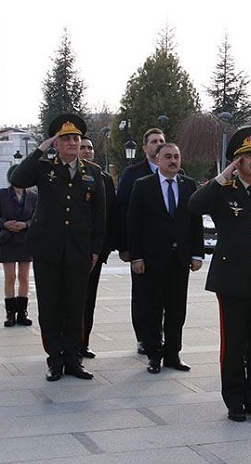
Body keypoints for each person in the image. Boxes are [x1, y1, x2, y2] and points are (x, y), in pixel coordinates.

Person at [188, 126, 251, 422]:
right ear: (238, 162)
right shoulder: (223, 192)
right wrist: (222, 177)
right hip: (232, 281)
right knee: (233, 345)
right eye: (249, 156)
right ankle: (234, 401)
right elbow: (194, 206)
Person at [9, 113, 106, 382]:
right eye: (66, 139)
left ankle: (73, 359)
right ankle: (55, 358)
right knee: (50, 307)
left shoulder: (93, 173)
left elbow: (100, 216)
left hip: (78, 250)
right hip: (47, 249)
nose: (73, 143)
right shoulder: (43, 168)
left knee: (75, 307)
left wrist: (95, 249)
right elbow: (18, 177)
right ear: (56, 143)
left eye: (76, 138)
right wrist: (41, 148)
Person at [128, 143, 204, 374]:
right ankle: (154, 355)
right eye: (168, 156)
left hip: (179, 259)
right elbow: (134, 224)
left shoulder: (188, 184)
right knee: (152, 309)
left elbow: (195, 222)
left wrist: (197, 254)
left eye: (177, 157)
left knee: (176, 308)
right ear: (158, 159)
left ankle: (173, 354)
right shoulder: (143, 186)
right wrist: (136, 257)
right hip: (152, 260)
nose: (173, 160)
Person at [115, 128, 166, 354]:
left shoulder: (174, 171)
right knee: (143, 295)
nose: (157, 144)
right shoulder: (132, 173)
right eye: (154, 141)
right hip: (142, 248)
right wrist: (125, 247)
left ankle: (160, 336)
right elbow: (122, 211)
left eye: (161, 141)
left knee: (166, 295)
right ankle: (144, 337)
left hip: (167, 249)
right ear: (145, 148)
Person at [79, 136, 116, 358]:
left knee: (88, 299)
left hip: (95, 251)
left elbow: (109, 214)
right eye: (83, 147)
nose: (86, 151)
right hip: (73, 249)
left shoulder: (103, 178)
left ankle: (84, 342)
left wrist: (106, 247)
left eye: (90, 148)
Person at [0, 165, 36, 327]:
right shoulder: (0, 194)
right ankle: (10, 312)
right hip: (8, 239)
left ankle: (22, 312)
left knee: (24, 277)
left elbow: (36, 216)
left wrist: (25, 224)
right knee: (10, 276)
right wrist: (5, 223)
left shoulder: (33, 195)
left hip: (25, 239)